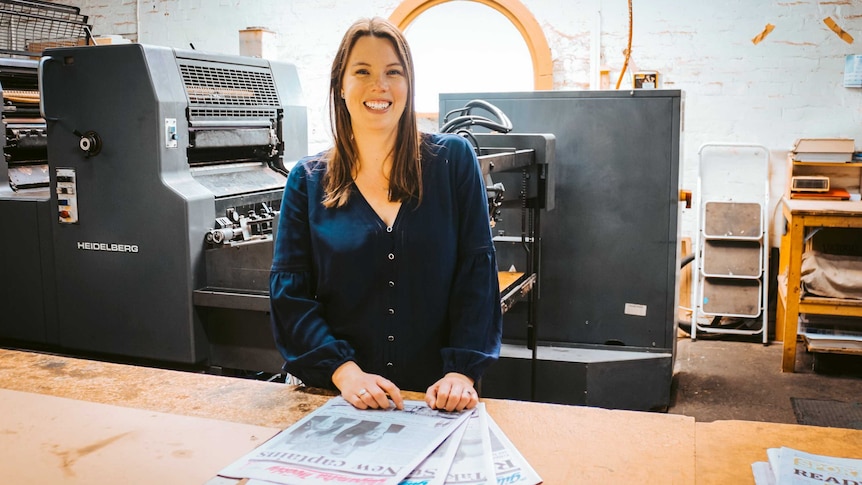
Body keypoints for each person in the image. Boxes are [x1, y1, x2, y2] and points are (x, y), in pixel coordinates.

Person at [269, 16, 502, 413]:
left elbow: (476, 276)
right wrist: (345, 373)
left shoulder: (453, 162)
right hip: (338, 400)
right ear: (341, 86)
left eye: (393, 72)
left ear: (408, 86)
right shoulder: (307, 181)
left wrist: (461, 372)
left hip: (435, 401)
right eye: (363, 71)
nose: (380, 85)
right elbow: (290, 296)